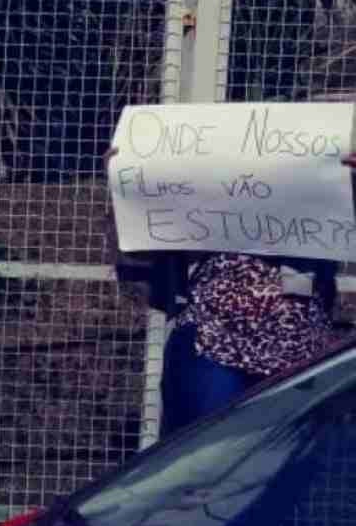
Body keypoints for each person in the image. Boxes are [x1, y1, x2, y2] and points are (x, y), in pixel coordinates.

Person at [114, 150, 356, 435]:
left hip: (301, 350)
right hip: (210, 342)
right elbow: (138, 256)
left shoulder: (328, 172)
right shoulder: (207, 163)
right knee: (202, 460)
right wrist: (126, 184)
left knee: (277, 471)